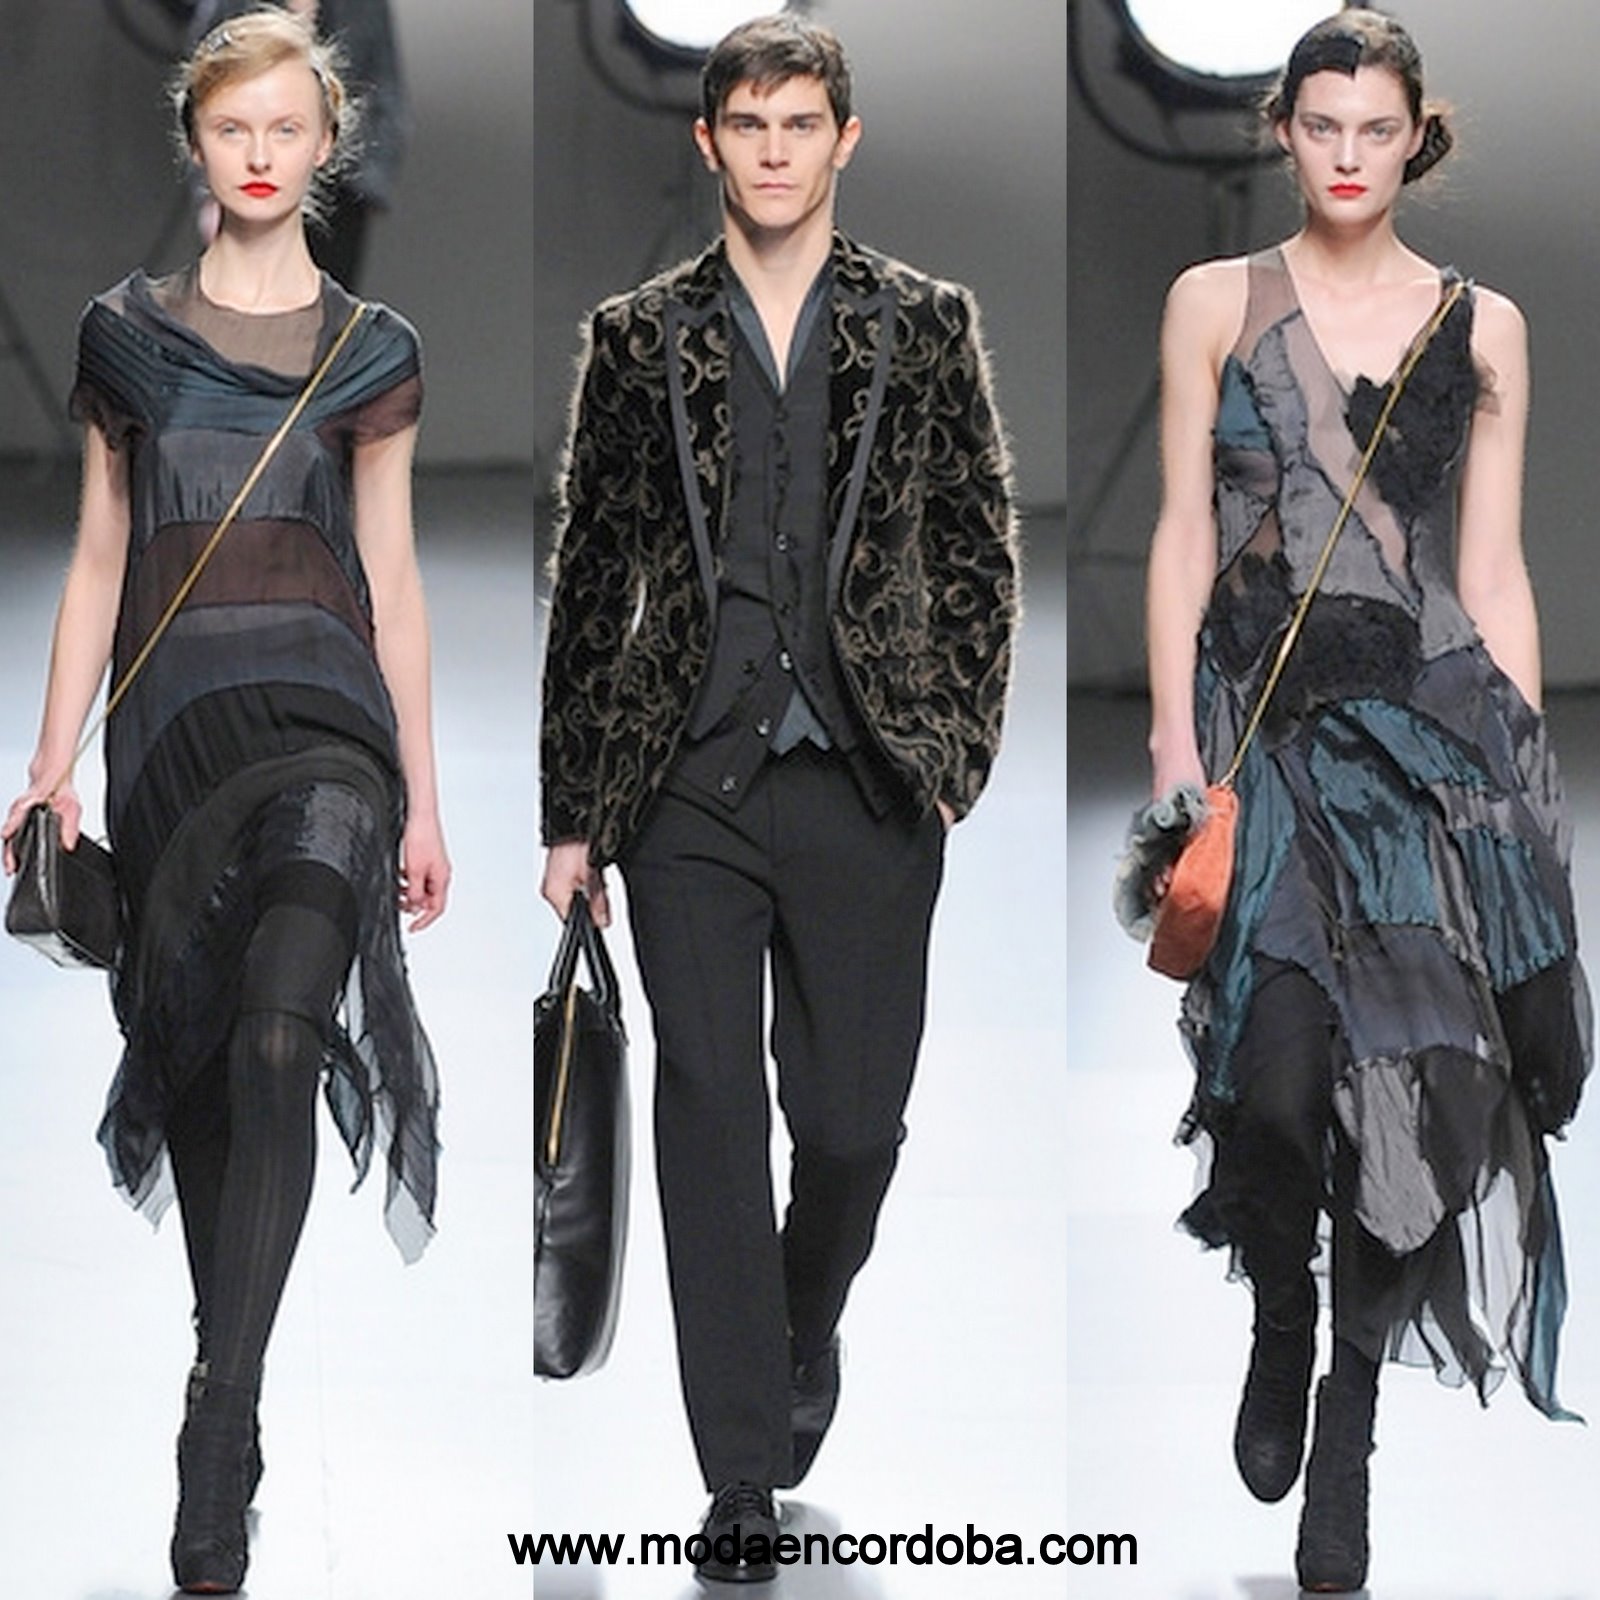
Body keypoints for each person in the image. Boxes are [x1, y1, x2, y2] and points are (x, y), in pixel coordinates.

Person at [539, 13, 1017, 1584]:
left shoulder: (921, 325)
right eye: (747, 124)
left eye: (799, 123)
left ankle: (803, 1324)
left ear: (843, 140)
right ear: (709, 141)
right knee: (709, 1113)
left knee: (853, 1127)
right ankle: (737, 1468)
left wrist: (952, 751)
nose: (772, 149)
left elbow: (976, 543)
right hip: (687, 780)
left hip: (869, 778)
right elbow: (591, 571)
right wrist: (570, 811)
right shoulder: (641, 338)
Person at [1141, 10, 1590, 1592]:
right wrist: (1171, 741)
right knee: (1274, 1084)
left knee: (1424, 1093)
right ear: (1284, 131)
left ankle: (1349, 1416)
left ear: (1415, 139)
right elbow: (1183, 532)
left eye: (1374, 129)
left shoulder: (1485, 326)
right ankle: (1282, 1304)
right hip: (1264, 734)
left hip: (1425, 740)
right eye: (1321, 125)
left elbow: (1492, 570)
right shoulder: (1213, 302)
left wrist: (1518, 785)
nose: (1347, 154)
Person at [1, 11, 446, 1592]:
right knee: (202, 1057)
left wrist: (426, 798)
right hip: (175, 741)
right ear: (196, 142)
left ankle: (222, 1410)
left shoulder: (373, 349)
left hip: (330, 734)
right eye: (232, 128)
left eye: (286, 128)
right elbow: (98, 556)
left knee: (277, 1036)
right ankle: (227, 1352)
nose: (260, 155)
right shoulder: (122, 337)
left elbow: (394, 579)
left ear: (328, 145)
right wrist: (50, 761)